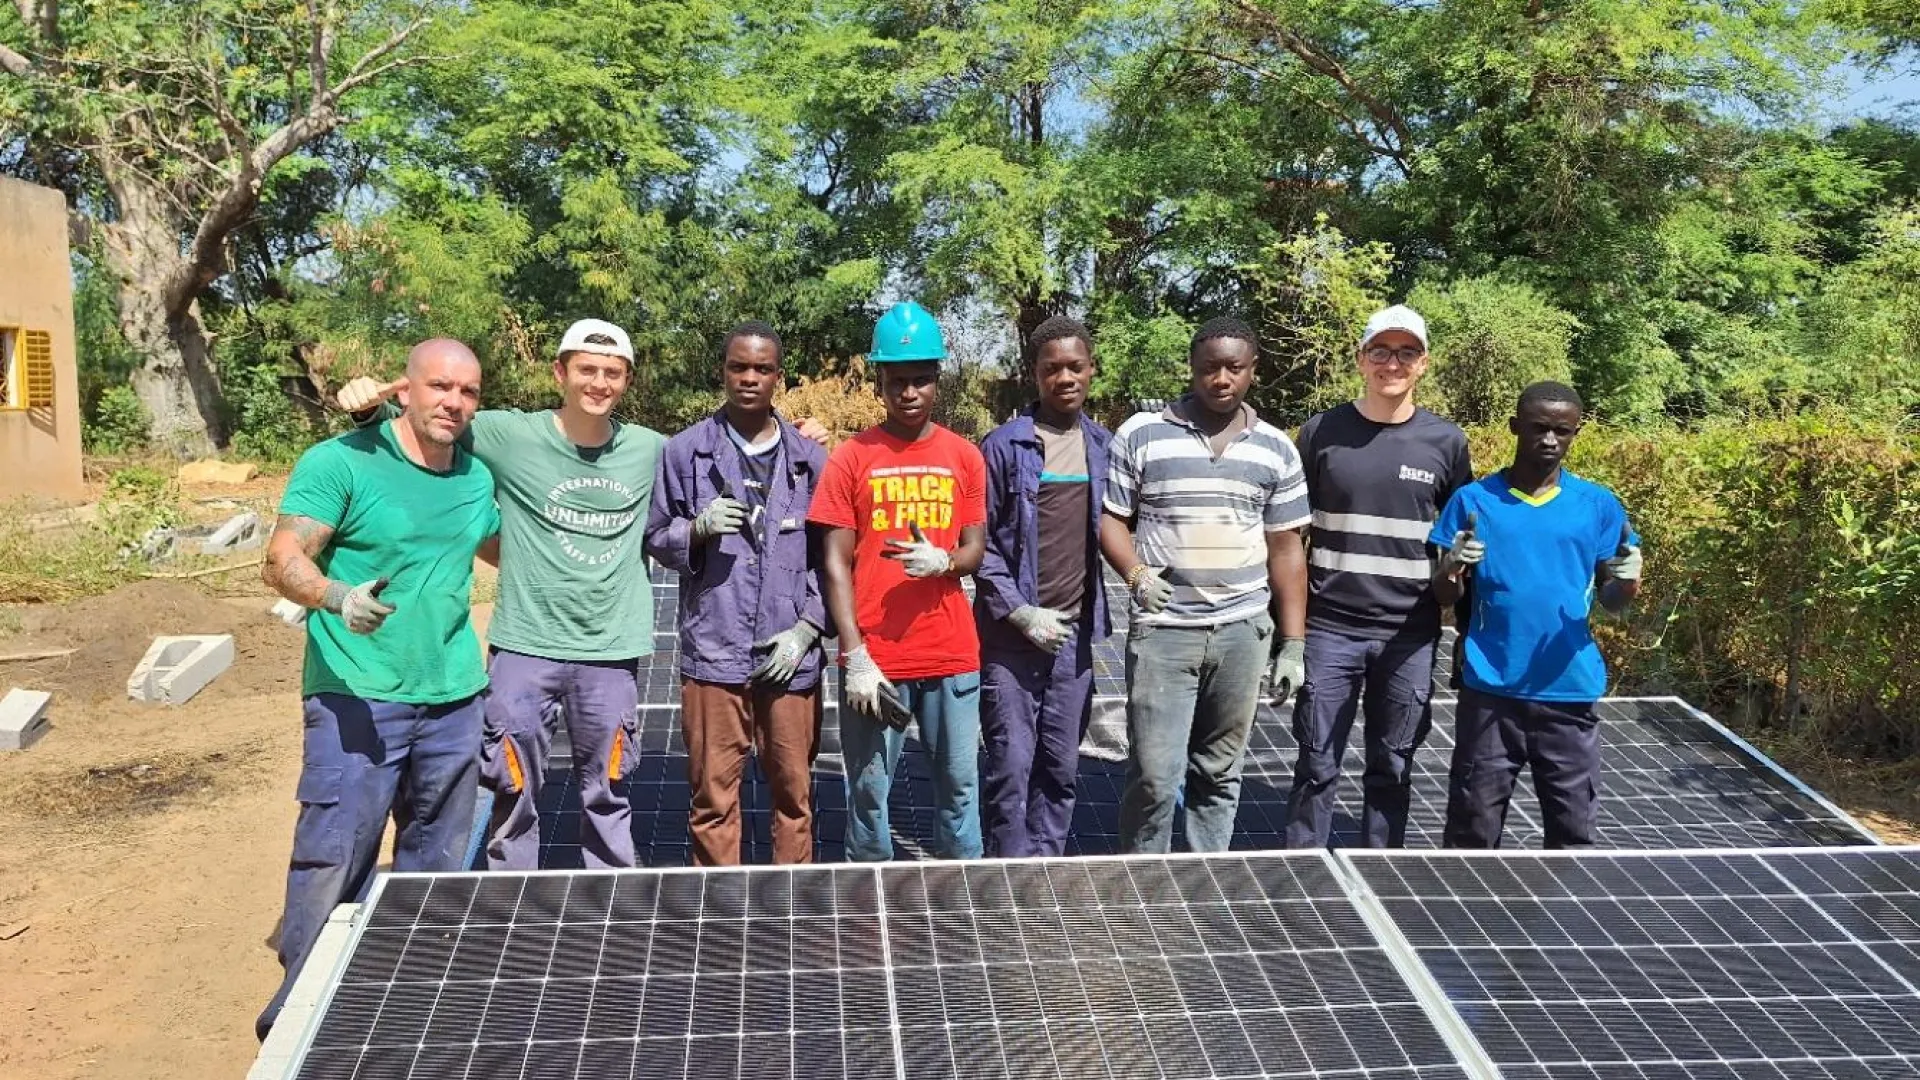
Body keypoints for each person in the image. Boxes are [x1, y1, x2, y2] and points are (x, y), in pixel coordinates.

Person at [336, 319, 665, 871]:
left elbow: (717, 456)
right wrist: (368, 409)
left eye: (613, 373)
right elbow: (426, 425)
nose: (599, 383)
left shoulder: (649, 449)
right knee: (512, 787)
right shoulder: (507, 434)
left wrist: (796, 435)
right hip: (525, 647)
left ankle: (612, 899)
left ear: (627, 380)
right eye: (587, 369)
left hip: (611, 651)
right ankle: (512, 900)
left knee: (608, 789)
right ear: (560, 372)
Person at [257, 339, 500, 1039]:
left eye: (468, 391)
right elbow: (281, 558)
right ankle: (301, 1022)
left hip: (455, 697)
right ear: (404, 390)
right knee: (335, 858)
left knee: (433, 865)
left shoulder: (474, 479)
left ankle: (402, 1008)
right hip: (356, 699)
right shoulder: (342, 461)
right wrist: (336, 598)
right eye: (439, 386)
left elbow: (506, 549)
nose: (453, 401)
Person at [1100, 317, 1311, 854]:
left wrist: (1293, 645)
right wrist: (1137, 574)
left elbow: (1287, 548)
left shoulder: (1276, 450)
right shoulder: (1142, 434)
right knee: (1153, 775)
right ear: (1192, 369)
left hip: (1242, 631)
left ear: (1253, 371)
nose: (1222, 379)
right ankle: (1144, 882)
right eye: (1210, 368)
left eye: (1234, 368)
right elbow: (1111, 522)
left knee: (1219, 773)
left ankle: (1204, 883)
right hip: (1165, 633)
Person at [1283, 305, 1472, 849]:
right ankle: (1302, 870)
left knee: (1392, 765)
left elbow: (1456, 543)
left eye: (1406, 352)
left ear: (1424, 364)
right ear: (1362, 360)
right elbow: (1291, 538)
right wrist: (1288, 635)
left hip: (1409, 634)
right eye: (1381, 352)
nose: (1393, 363)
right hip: (1330, 630)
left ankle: (1381, 869)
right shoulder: (1320, 433)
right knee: (1316, 762)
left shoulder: (1447, 443)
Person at [808, 300, 988, 861]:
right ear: (879, 382)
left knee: (959, 787)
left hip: (950, 653)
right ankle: (870, 904)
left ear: (937, 380)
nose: (909, 393)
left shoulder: (964, 457)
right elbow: (834, 560)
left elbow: (976, 547)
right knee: (867, 793)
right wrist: (854, 654)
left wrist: (948, 563)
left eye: (921, 380)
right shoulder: (851, 458)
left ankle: (961, 903)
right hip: (877, 660)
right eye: (897, 381)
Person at [645, 322, 829, 865]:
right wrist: (694, 530)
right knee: (712, 800)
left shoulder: (810, 461)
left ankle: (789, 912)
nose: (750, 378)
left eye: (762, 369)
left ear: (779, 376)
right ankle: (719, 918)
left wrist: (808, 628)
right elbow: (656, 535)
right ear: (722, 371)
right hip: (714, 655)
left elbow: (836, 559)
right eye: (738, 367)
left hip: (789, 660)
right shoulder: (684, 453)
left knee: (794, 797)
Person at [1429, 380, 1642, 849]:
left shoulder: (1598, 506)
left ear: (1575, 433)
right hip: (1490, 690)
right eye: (1538, 429)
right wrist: (1451, 565)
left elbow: (1612, 601)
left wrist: (1627, 579)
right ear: (1515, 428)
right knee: (1472, 830)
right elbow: (1444, 595)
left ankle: (1561, 923)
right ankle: (1465, 920)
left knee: (1572, 833)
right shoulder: (1473, 502)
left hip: (1568, 690)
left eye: (1561, 431)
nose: (1549, 441)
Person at [974, 315, 1113, 857]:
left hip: (1072, 638)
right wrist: (1019, 612)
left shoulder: (1104, 447)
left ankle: (1045, 867)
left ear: (1091, 370)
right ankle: (1008, 870)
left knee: (1060, 763)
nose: (1065, 378)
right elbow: (979, 544)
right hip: (1011, 638)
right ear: (1034, 374)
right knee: (1011, 763)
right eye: (1052, 368)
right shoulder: (1005, 446)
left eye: (1075, 366)